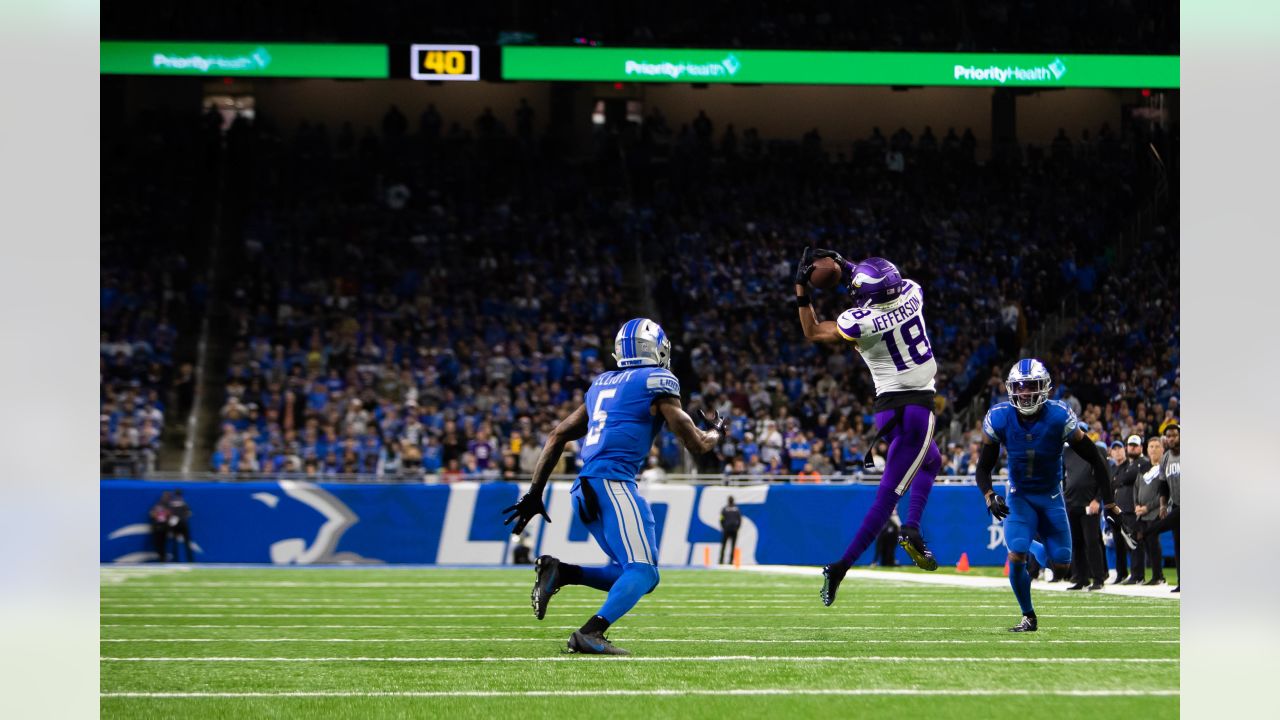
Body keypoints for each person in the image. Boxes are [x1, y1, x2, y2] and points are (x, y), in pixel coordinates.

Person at [502, 318, 723, 655]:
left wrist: (534, 493)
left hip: (584, 487)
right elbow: (695, 443)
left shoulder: (601, 383)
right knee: (644, 573)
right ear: (658, 349)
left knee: (626, 572)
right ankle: (591, 632)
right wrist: (716, 432)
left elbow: (557, 434)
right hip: (613, 483)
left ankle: (561, 572)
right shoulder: (657, 380)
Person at [794, 249, 943, 607]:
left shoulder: (856, 321)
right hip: (914, 408)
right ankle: (841, 566)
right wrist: (846, 265)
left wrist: (803, 287)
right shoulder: (912, 291)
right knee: (886, 497)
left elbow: (813, 330)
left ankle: (912, 529)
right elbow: (880, 282)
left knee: (932, 460)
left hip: (891, 409)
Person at [975, 360, 1123, 632]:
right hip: (1020, 495)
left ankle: (1031, 544)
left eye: (1032, 386)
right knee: (1017, 553)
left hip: (1052, 495)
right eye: (1020, 387)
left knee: (1062, 567)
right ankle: (1028, 615)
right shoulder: (999, 416)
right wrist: (988, 495)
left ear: (1045, 388)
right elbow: (983, 467)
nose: (1026, 393)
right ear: (1011, 389)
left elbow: (1096, 459)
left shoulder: (1058, 416)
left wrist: (1110, 502)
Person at [1062, 426, 1108, 591]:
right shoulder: (1066, 452)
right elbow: (1063, 476)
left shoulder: (1096, 450)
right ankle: (1081, 578)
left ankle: (1098, 578)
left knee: (1092, 542)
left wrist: (1097, 499)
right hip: (1072, 503)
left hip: (1090, 504)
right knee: (1076, 543)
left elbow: (1104, 476)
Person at [1137, 423, 1180, 591]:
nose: (1171, 438)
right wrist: (1163, 505)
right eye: (1168, 436)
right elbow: (1163, 485)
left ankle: (1146, 533)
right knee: (1178, 545)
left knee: (1156, 530)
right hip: (1175, 504)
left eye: (1174, 435)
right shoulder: (1167, 457)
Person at [1110, 434, 1150, 583]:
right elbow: (1114, 482)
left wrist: (1119, 480)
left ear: (1140, 447)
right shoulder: (1125, 465)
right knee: (1119, 544)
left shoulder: (1143, 463)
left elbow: (1125, 479)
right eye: (1130, 445)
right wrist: (1119, 480)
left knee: (1134, 543)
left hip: (1132, 509)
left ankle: (1137, 575)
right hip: (1120, 510)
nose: (1132, 447)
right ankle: (1122, 574)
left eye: (1135, 445)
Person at [1133, 436, 1167, 585]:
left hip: (1154, 512)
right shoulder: (1144, 467)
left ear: (1162, 449)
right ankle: (1154, 575)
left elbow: (1163, 492)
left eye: (1156, 446)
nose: (1153, 449)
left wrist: (1149, 507)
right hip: (1141, 513)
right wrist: (1136, 505)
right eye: (1151, 446)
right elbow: (1136, 488)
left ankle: (1158, 576)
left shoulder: (1164, 468)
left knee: (1153, 543)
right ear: (1147, 449)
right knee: (1147, 544)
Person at [165, 489, 195, 562]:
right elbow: (189, 513)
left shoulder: (171, 504)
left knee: (175, 542)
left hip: (175, 525)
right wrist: (182, 517)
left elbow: (169, 515)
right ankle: (190, 560)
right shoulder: (183, 503)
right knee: (186, 542)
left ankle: (176, 560)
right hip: (183, 524)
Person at [148, 491, 172, 562]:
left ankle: (162, 557)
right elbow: (152, 514)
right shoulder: (158, 505)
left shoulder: (168, 505)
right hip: (159, 526)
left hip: (163, 527)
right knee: (159, 543)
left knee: (162, 543)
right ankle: (162, 557)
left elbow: (169, 514)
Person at [719, 496, 742, 564]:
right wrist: (737, 527)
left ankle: (721, 560)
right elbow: (739, 520)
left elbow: (721, 519)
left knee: (724, 545)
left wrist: (723, 527)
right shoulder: (736, 509)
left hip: (726, 529)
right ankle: (731, 561)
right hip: (734, 530)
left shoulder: (725, 509)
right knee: (733, 546)